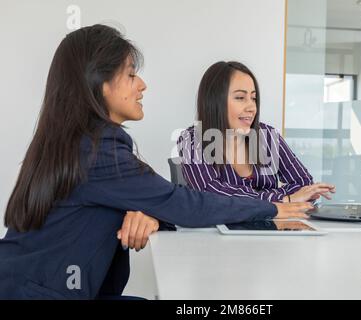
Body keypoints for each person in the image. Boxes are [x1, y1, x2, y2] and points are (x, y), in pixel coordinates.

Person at [0, 25, 311, 300]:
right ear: (100, 84)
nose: (142, 85)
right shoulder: (98, 150)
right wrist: (273, 207)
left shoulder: (77, 142)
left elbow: (153, 201)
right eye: (132, 75)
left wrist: (148, 212)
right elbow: (183, 202)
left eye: (253, 97)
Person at [178, 61, 335, 204]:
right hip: (217, 233)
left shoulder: (267, 136)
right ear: (214, 101)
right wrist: (284, 198)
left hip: (271, 229)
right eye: (240, 97)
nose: (252, 107)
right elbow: (212, 195)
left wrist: (280, 199)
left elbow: (304, 185)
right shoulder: (191, 140)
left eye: (254, 98)